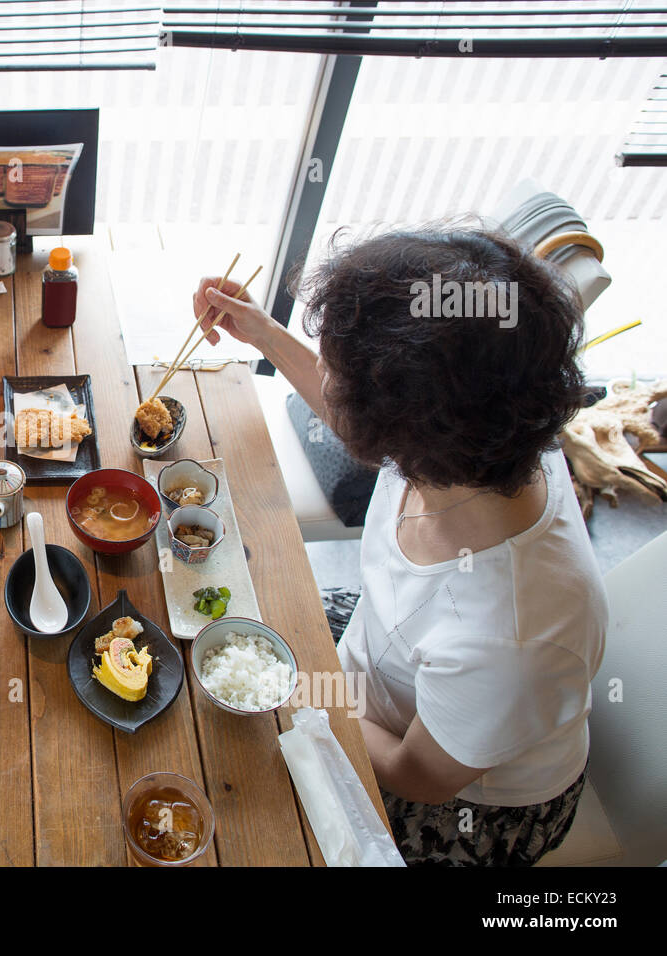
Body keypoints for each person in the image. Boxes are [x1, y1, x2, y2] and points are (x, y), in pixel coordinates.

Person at [190, 226, 607, 865]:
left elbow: (418, 773)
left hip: (460, 805)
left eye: (333, 369)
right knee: (206, 634)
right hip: (379, 659)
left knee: (237, 814)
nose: (324, 377)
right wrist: (265, 333)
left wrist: (302, 690)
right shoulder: (483, 436)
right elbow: (353, 413)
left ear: (402, 421)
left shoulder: (511, 636)